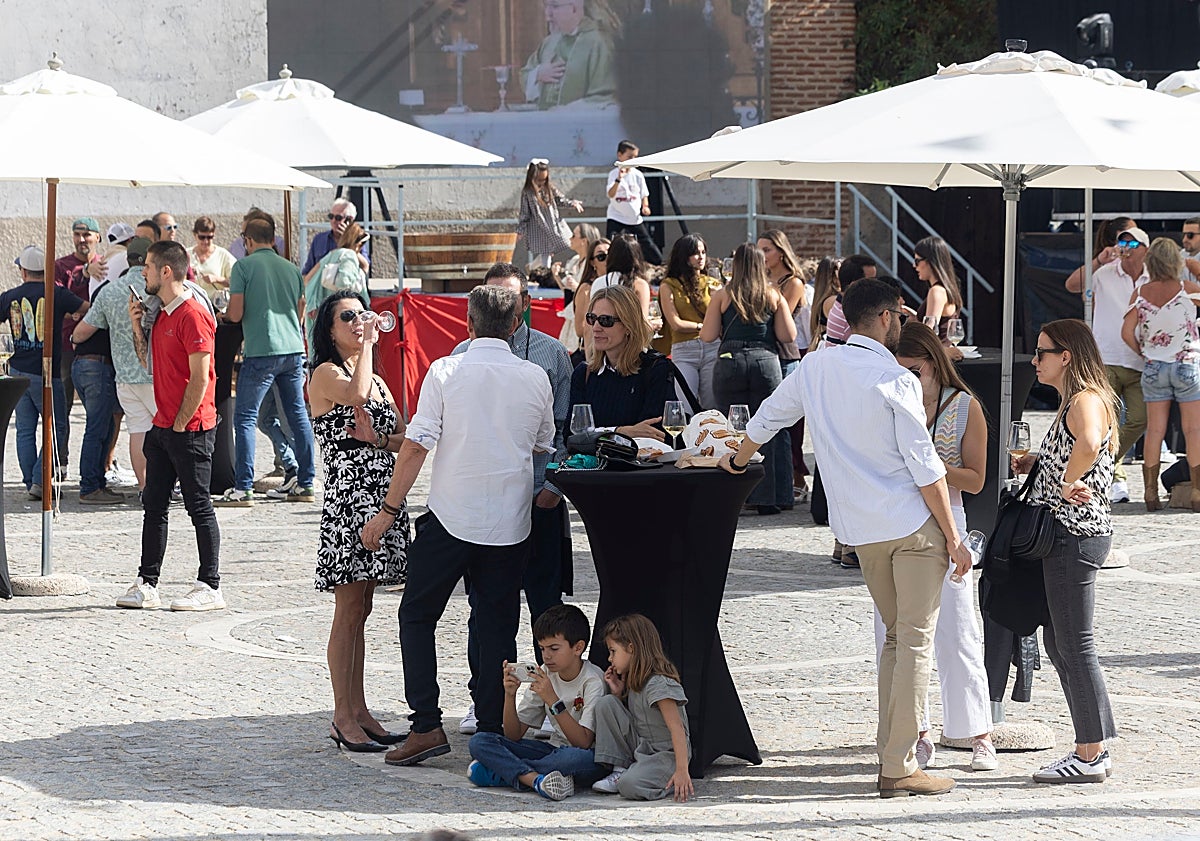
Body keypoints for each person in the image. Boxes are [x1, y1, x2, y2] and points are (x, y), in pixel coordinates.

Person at [721, 277, 970, 798]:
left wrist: (736, 459)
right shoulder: (894, 378)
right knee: (913, 642)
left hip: (861, 532)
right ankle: (899, 765)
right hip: (910, 524)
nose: (901, 324)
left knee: (898, 641)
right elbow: (926, 468)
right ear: (884, 317)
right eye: (899, 316)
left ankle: (892, 754)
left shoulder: (815, 366)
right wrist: (955, 537)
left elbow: (768, 418)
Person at [361, 285, 555, 766]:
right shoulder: (535, 377)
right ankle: (490, 727)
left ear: (467, 324)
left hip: (451, 516)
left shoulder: (445, 370)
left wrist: (387, 510)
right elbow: (543, 443)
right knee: (496, 627)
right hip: (510, 521)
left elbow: (417, 445)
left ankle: (426, 723)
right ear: (516, 326)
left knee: (417, 615)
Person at [451, 264, 574, 737]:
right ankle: (482, 695)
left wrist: (554, 489)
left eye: (511, 298)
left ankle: (556, 702)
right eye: (493, 298)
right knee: (485, 606)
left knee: (547, 608)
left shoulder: (553, 355)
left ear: (525, 303)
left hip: (538, 498)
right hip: (486, 504)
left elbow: (562, 429)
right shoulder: (462, 356)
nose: (503, 306)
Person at [1013, 319, 1120, 784]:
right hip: (1069, 533)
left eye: (1041, 353)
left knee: (1075, 643)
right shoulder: (1076, 400)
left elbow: (1091, 443)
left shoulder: (1083, 400)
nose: (1035, 361)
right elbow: (1078, 448)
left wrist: (1067, 481)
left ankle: (1091, 754)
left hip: (1073, 534)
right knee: (1062, 642)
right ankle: (1091, 745)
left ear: (1066, 356)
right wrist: (1040, 463)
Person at [888, 322, 996, 772]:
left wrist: (929, 466)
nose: (907, 379)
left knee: (958, 629)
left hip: (947, 520)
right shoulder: (893, 403)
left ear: (933, 364)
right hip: (896, 524)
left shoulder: (964, 407)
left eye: (912, 370)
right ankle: (918, 732)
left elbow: (976, 479)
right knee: (896, 635)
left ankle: (979, 735)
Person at [307, 291, 410, 752]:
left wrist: (382, 438)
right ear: (329, 330)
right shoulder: (327, 373)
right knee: (347, 612)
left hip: (380, 498)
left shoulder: (377, 377)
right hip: (350, 504)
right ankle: (341, 715)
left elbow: (403, 433)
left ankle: (360, 708)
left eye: (361, 315)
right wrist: (368, 342)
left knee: (363, 611)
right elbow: (357, 394)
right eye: (347, 317)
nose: (357, 322)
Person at [117, 241, 223, 611]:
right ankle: (147, 582)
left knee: (198, 506)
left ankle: (210, 585)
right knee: (154, 505)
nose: (142, 272)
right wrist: (135, 325)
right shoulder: (160, 314)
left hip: (190, 427)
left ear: (166, 271)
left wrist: (179, 424)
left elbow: (201, 377)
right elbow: (147, 361)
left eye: (147, 266)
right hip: (163, 425)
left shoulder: (192, 315)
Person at [218, 218, 317, 506]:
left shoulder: (243, 266)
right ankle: (306, 483)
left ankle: (243, 487)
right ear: (273, 239)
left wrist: (224, 315)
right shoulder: (290, 267)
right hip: (293, 348)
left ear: (247, 241)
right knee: (298, 415)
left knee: (245, 418)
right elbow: (301, 305)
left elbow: (235, 314)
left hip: (262, 350)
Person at [466, 604, 607, 801]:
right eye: (542, 648)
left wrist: (553, 700)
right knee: (480, 741)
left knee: (572, 759)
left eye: (554, 648)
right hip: (553, 752)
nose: (547, 656)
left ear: (578, 647)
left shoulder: (593, 680)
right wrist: (509, 695)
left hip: (588, 757)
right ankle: (535, 780)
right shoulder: (546, 672)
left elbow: (583, 742)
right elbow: (513, 735)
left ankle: (503, 772)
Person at [700, 243, 797, 514]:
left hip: (729, 362)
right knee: (770, 426)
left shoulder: (723, 295)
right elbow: (788, 336)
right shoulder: (773, 294)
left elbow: (707, 336)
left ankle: (735, 495)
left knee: (730, 429)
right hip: (765, 360)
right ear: (761, 265)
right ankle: (773, 497)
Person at [1120, 237, 1200, 512]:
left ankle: (1150, 493)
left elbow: (1126, 333)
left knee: (1154, 431)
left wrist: (1143, 352)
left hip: (1154, 366)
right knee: (1193, 430)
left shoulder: (1140, 293)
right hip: (1187, 363)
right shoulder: (1188, 289)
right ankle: (1198, 492)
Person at [71, 237, 156, 494]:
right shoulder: (157, 288)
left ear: (128, 259)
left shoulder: (109, 290)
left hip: (124, 377)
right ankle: (163, 486)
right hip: (154, 373)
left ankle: (144, 487)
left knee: (137, 432)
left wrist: (73, 338)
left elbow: (81, 332)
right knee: (164, 433)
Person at [4, 246, 86, 499]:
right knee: (57, 427)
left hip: (18, 371)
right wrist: (72, 313)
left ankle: (32, 480)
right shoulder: (57, 294)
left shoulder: (10, 296)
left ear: (23, 271)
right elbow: (86, 307)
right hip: (47, 371)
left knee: (25, 429)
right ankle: (40, 480)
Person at [589, 614, 692, 802]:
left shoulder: (659, 683)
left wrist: (682, 770)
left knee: (628, 786)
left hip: (665, 754)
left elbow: (677, 729)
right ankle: (620, 768)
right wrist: (618, 694)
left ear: (631, 648)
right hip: (643, 745)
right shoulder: (635, 679)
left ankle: (666, 780)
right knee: (607, 703)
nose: (609, 658)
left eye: (613, 651)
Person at [1081, 226, 1149, 505]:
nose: (1126, 247)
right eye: (1122, 242)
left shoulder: (1153, 276)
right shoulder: (1104, 272)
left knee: (1139, 419)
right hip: (1106, 357)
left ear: (1145, 248)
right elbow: (1073, 284)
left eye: (1132, 243)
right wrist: (1098, 259)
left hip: (1139, 359)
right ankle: (1115, 477)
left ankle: (1105, 461)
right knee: (1106, 423)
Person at [568, 285, 674, 441]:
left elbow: (654, 434)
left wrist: (598, 434)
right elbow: (571, 436)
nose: (596, 327)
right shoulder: (584, 374)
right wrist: (621, 432)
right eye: (592, 318)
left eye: (606, 320)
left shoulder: (655, 369)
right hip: (594, 465)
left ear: (628, 326)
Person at [67, 246, 124, 505]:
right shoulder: (115, 292)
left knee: (105, 426)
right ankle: (90, 487)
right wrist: (74, 337)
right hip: (96, 365)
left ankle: (97, 482)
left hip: (91, 364)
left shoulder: (106, 290)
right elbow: (80, 333)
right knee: (98, 427)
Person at [758, 229, 809, 503]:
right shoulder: (763, 280)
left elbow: (782, 317)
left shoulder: (793, 283)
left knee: (791, 422)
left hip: (789, 351)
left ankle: (797, 476)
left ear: (780, 251)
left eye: (766, 249)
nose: (762, 255)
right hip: (768, 352)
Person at [519, 0, 617, 110]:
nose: (548, 14)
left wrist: (566, 111)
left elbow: (604, 97)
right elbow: (525, 75)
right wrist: (538, 74)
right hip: (545, 123)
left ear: (574, 9)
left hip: (580, 125)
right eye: (546, 6)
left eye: (554, 6)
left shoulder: (598, 43)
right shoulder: (549, 43)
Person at [660, 234, 719, 409]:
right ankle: (687, 437)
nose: (701, 257)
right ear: (683, 256)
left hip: (712, 347)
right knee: (686, 406)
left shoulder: (712, 283)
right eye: (695, 253)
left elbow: (719, 318)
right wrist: (703, 327)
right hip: (685, 349)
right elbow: (676, 323)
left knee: (712, 406)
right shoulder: (669, 285)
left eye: (703, 252)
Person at [55, 216, 104, 429]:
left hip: (98, 344)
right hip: (66, 344)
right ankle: (61, 460)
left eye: (86, 235)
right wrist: (84, 273)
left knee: (100, 410)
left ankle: (104, 460)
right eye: (77, 234)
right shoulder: (61, 266)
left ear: (97, 237)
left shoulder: (105, 264)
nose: (81, 239)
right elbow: (57, 300)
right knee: (61, 407)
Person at [303, 221, 370, 351]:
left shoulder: (331, 255)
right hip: (341, 319)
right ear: (358, 243)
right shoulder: (349, 256)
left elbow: (307, 279)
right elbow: (344, 283)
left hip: (319, 315)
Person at [515, 159, 583, 270]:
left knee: (565, 242)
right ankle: (545, 270)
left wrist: (572, 203)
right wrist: (520, 230)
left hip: (553, 222)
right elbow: (524, 213)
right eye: (539, 180)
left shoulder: (549, 188)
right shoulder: (527, 192)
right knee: (546, 251)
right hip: (538, 226)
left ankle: (532, 267)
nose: (541, 182)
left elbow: (560, 199)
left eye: (544, 179)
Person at [605, 141, 663, 265]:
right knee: (612, 244)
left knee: (648, 245)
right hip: (616, 217)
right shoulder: (613, 174)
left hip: (634, 218)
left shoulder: (638, 175)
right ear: (620, 155)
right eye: (629, 157)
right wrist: (618, 179)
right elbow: (611, 194)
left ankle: (658, 265)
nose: (633, 160)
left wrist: (645, 206)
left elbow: (644, 194)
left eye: (635, 157)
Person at [558, 224, 600, 362]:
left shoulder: (593, 265)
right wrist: (557, 276)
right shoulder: (575, 261)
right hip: (573, 312)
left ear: (584, 240)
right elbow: (567, 290)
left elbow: (592, 290)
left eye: (574, 235)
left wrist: (578, 287)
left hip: (584, 314)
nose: (570, 238)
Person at [1064, 216, 1136, 295]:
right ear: (1119, 234)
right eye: (1134, 231)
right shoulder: (1108, 260)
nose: (1138, 235)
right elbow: (1071, 285)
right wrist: (1098, 261)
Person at [912, 236, 964, 341]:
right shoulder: (946, 289)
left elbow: (929, 331)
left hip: (938, 353)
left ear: (931, 261)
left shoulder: (936, 291)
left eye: (917, 261)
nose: (914, 265)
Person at [303, 198, 367, 275]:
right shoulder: (319, 239)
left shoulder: (357, 240)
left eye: (338, 218)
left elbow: (365, 267)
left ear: (349, 220)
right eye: (331, 216)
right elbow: (308, 270)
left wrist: (347, 241)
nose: (333, 221)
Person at [571, 237, 610, 358]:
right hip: (590, 353)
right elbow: (580, 329)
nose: (607, 260)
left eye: (611, 255)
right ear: (593, 262)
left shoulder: (618, 284)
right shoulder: (586, 288)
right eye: (601, 257)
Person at [187, 216, 236, 304]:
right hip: (193, 304)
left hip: (216, 306)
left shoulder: (223, 255)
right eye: (202, 237)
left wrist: (217, 279)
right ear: (195, 235)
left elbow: (237, 282)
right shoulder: (187, 254)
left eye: (209, 237)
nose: (206, 241)